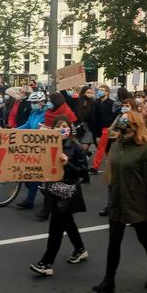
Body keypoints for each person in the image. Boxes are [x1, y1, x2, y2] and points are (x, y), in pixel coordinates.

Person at [93, 110, 147, 293]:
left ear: (135, 124)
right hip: (117, 200)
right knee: (113, 243)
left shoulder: (145, 149)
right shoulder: (116, 145)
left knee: (145, 240)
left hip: (137, 202)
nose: (122, 122)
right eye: (122, 119)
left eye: (126, 120)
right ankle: (109, 281)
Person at [30, 117, 88, 277]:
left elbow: (83, 172)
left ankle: (46, 263)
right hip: (52, 190)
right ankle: (80, 249)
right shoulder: (48, 146)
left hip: (68, 191)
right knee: (68, 223)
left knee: (56, 226)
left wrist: (67, 163)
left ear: (70, 129)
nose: (62, 129)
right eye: (58, 126)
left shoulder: (76, 147)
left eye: (65, 126)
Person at [16, 91, 49, 209]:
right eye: (31, 102)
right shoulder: (33, 112)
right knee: (28, 177)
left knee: (34, 176)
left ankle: (30, 200)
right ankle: (38, 188)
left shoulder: (47, 113)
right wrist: (14, 131)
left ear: (42, 102)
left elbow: (43, 129)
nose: (32, 104)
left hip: (42, 147)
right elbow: (27, 125)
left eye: (34, 102)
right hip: (31, 146)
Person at [89, 84, 118, 176]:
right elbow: (94, 118)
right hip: (98, 129)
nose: (99, 91)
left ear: (107, 92)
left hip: (107, 129)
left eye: (102, 90)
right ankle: (114, 166)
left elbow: (115, 117)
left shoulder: (112, 103)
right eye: (99, 90)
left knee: (101, 148)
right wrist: (96, 134)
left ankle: (95, 167)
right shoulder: (95, 103)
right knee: (106, 149)